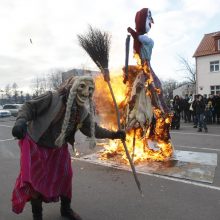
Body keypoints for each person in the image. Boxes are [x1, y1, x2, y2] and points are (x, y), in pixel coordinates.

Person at [11, 76, 125, 220]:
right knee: (35, 182)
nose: (86, 92)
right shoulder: (52, 98)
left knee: (65, 177)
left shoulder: (81, 111)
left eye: (90, 89)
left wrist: (114, 134)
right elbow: (29, 107)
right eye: (82, 87)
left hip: (58, 149)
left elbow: (92, 129)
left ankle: (66, 209)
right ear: (72, 86)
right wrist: (20, 121)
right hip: (37, 146)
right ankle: (37, 216)